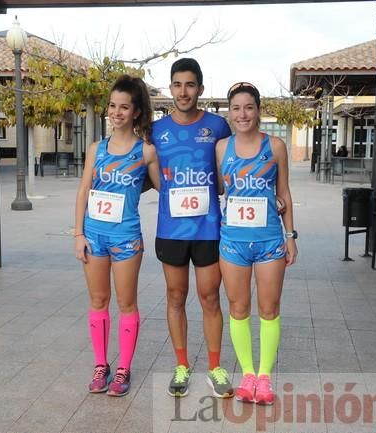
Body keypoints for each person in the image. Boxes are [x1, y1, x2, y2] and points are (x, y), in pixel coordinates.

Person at [151, 58, 234, 398]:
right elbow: (150, 175)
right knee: (175, 296)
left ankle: (215, 366)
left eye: (189, 85)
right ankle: (182, 365)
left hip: (208, 229)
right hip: (171, 230)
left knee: (210, 297)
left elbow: (233, 168)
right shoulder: (156, 131)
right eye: (176, 84)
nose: (183, 92)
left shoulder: (218, 126)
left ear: (200, 88)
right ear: (170, 88)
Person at [75, 75, 160, 397]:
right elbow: (84, 190)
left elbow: (161, 186)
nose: (116, 112)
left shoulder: (146, 151)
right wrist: (78, 233)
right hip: (94, 236)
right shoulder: (96, 149)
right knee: (98, 301)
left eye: (124, 107)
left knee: (126, 303)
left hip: (126, 237)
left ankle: (123, 368)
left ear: (136, 111)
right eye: (113, 106)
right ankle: (101, 365)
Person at [216, 82, 297, 405]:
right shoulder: (221, 148)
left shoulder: (275, 146)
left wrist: (290, 236)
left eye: (248, 107)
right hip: (233, 242)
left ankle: (264, 377)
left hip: (269, 241)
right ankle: (247, 374)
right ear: (230, 113)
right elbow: (218, 190)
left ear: (258, 110)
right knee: (238, 308)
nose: (242, 114)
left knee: (269, 308)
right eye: (236, 108)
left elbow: (285, 192)